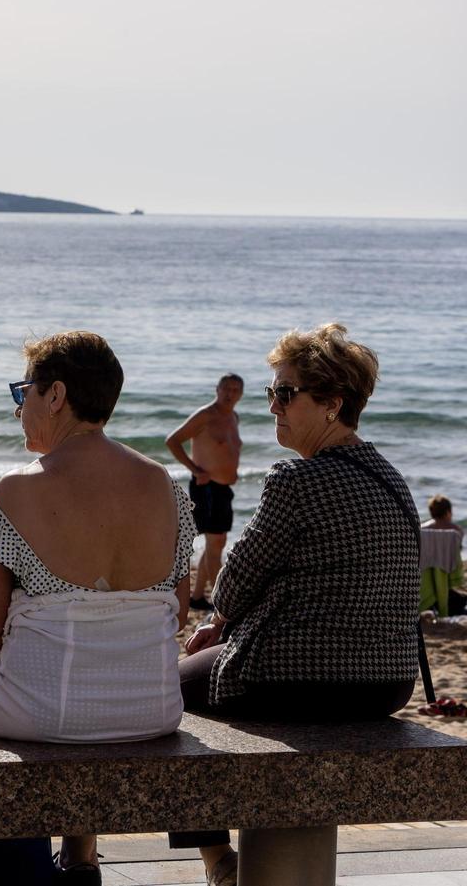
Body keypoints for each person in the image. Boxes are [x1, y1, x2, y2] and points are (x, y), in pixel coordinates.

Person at [0, 332, 196, 886]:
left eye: (24, 392)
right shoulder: (163, 485)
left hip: (44, 709)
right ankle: (81, 861)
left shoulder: (18, 489)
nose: (20, 409)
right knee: (83, 669)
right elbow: (177, 613)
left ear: (56, 394)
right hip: (149, 709)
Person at [171, 324, 420, 885]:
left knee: (162, 695)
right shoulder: (391, 478)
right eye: (271, 392)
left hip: (304, 674)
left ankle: (217, 861)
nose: (273, 406)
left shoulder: (298, 480)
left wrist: (217, 624)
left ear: (332, 404)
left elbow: (236, 581)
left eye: (286, 393)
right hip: (387, 681)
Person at [166, 373, 244, 610]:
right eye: (226, 388)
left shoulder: (234, 417)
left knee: (215, 544)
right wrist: (195, 469)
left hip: (224, 489)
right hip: (207, 488)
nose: (230, 393)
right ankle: (222, 604)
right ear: (217, 389)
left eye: (236, 390)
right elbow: (173, 440)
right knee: (216, 541)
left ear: (241, 394)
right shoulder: (206, 415)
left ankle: (198, 597)